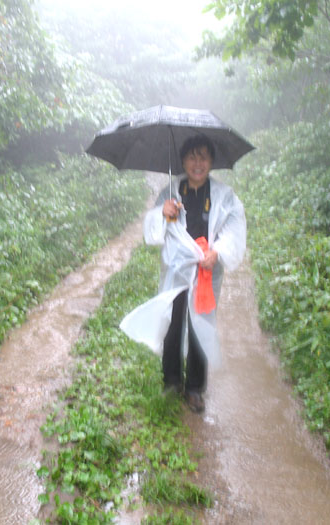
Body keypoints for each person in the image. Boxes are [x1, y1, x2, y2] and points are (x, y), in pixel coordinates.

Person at [139, 135, 247, 413]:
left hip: (206, 272)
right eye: (191, 157)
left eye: (203, 157)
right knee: (174, 324)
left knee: (201, 326)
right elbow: (151, 229)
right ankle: (172, 380)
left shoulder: (224, 196)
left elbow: (234, 228)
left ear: (211, 161)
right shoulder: (171, 192)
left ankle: (195, 388)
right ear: (183, 160)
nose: (197, 163)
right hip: (177, 270)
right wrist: (162, 213)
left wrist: (218, 251)